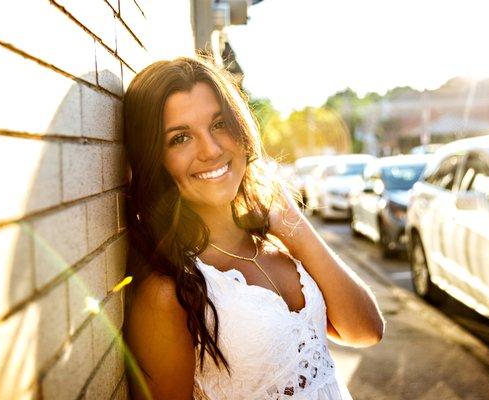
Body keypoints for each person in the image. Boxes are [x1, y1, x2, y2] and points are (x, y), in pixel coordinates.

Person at [122, 57, 384, 400]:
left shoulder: (277, 245)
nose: (211, 150)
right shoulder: (170, 291)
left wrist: (293, 225)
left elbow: (366, 329)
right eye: (181, 138)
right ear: (156, 159)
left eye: (219, 124)